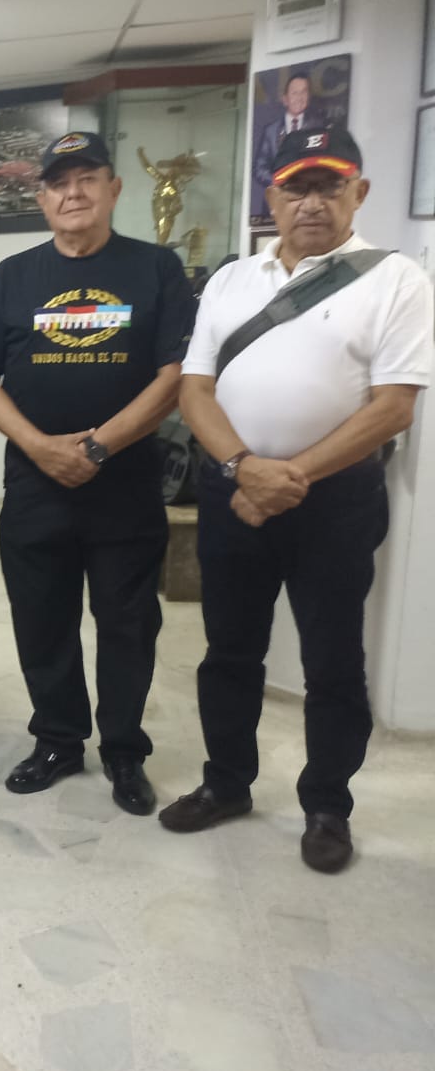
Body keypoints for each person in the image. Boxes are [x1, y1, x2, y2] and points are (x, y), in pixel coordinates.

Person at [161, 128, 433, 872]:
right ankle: (226, 784)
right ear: (272, 198)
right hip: (233, 494)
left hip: (335, 503)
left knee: (333, 660)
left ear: (358, 193)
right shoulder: (230, 280)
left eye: (329, 186)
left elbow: (393, 407)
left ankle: (327, 806)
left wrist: (288, 478)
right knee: (229, 651)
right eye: (296, 188)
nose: (312, 202)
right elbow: (195, 389)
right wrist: (244, 468)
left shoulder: (395, 280)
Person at [0, 132, 193, 816]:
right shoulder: (13, 275)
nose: (73, 193)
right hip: (35, 485)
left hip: (125, 486)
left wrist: (97, 447)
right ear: (42, 198)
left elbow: (175, 375)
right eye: (59, 183)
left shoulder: (156, 268)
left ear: (113, 189)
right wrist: (40, 447)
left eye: (87, 178)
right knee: (43, 621)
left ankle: (124, 751)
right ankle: (59, 740)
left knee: (128, 625)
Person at [253, 74, 318, 205]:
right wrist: (281, 183)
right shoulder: (271, 131)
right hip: (276, 203)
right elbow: (259, 168)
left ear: (308, 97)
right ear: (285, 99)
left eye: (303, 92)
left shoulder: (318, 127)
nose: (299, 97)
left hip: (308, 203)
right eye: (295, 93)